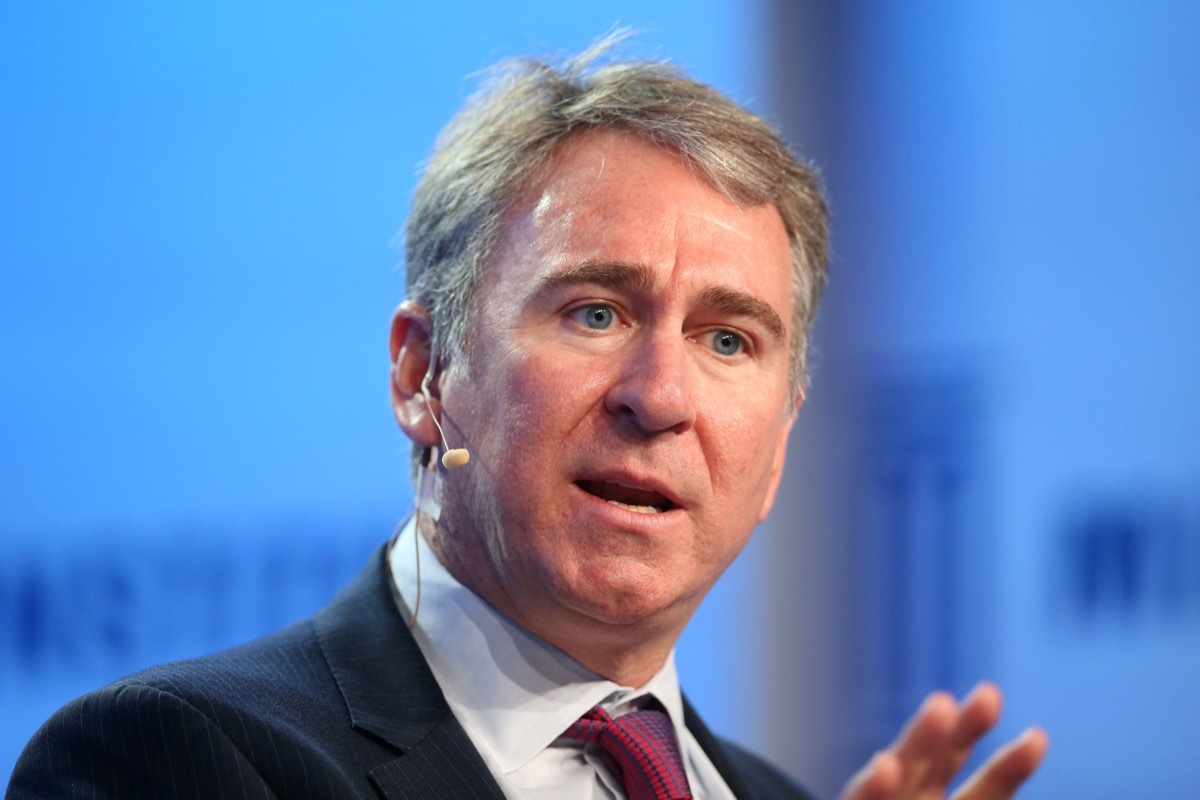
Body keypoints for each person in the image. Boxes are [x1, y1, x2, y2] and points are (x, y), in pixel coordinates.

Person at [7, 38, 1047, 800]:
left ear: (777, 449)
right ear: (423, 372)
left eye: (729, 339)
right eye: (595, 311)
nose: (662, 395)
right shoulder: (175, 761)